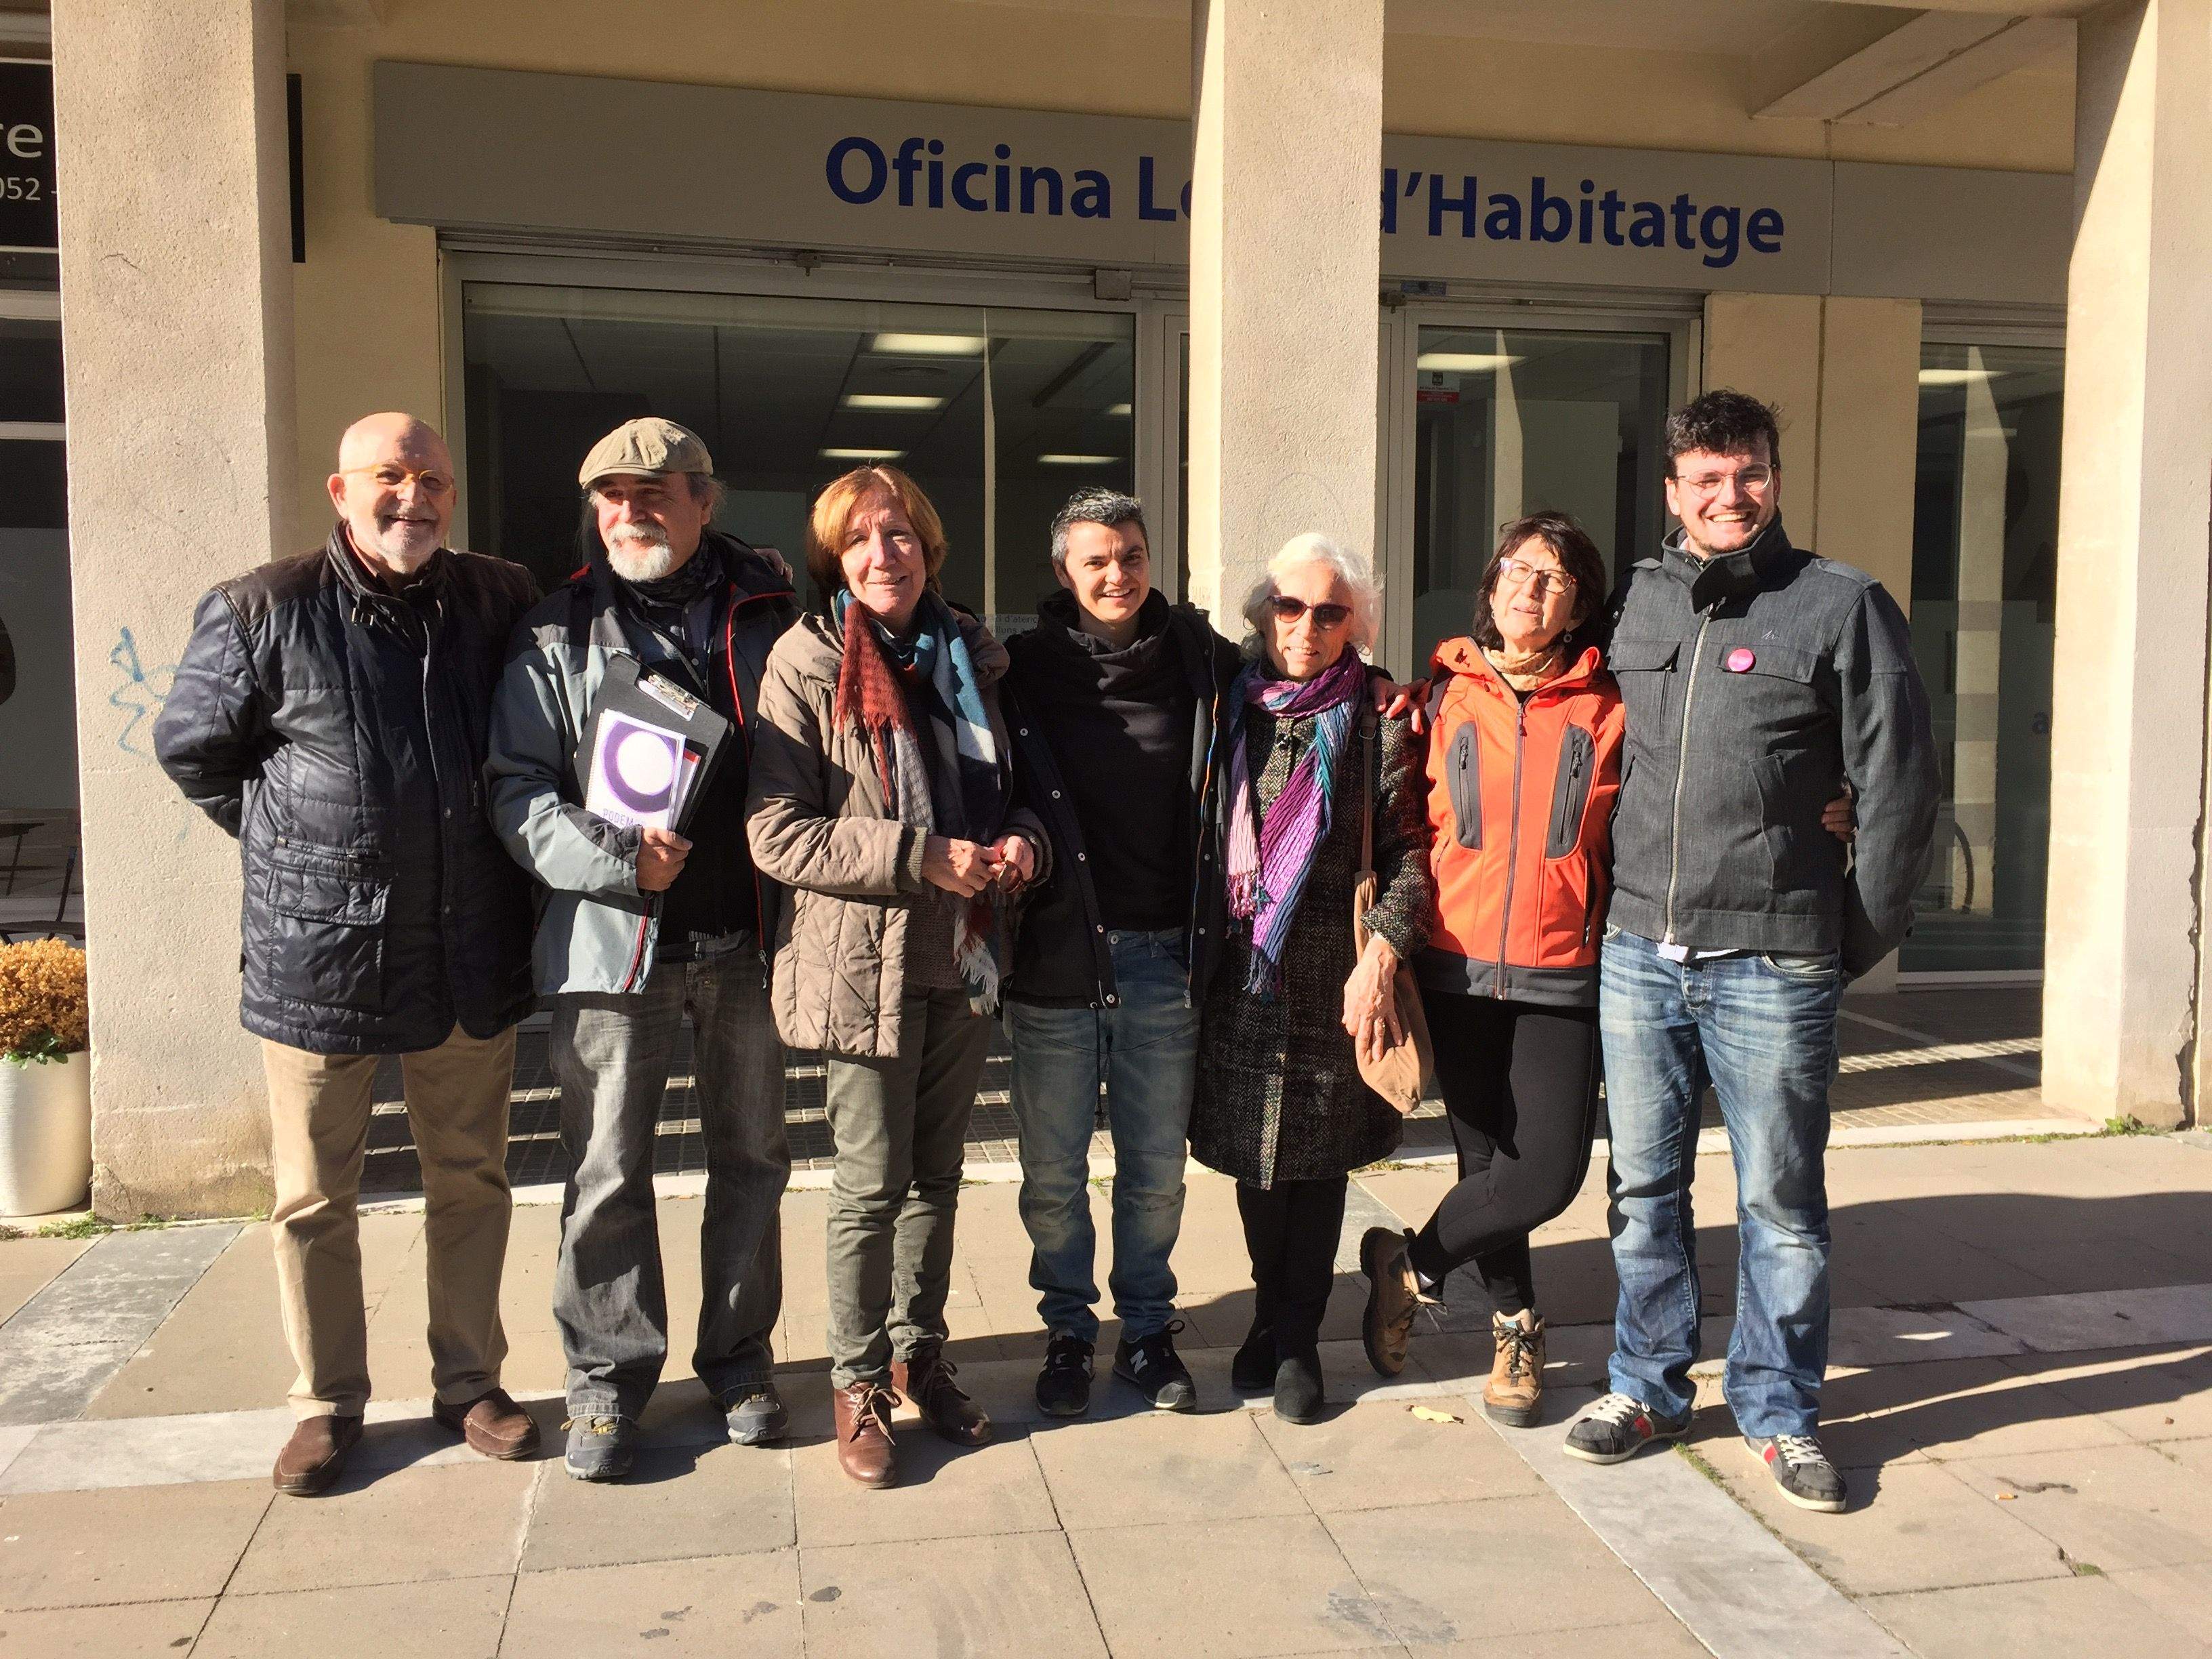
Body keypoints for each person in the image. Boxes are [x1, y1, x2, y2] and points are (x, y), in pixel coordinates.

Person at [154, 413, 541, 1496]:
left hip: (469, 943)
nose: (412, 497)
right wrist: (296, 846)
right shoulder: (259, 608)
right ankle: (326, 1402)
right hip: (316, 956)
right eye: (389, 477)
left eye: (432, 480)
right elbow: (194, 751)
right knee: (316, 1196)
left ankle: (470, 1384)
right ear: (340, 488)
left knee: (470, 1178)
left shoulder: (497, 597)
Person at [1565, 389, 1938, 1515]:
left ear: (1775, 478)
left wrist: (1840, 932)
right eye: (1708, 479)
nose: (1732, 496)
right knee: (1643, 1191)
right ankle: (1649, 1386)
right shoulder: (1634, 600)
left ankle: (1779, 1412)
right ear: (1673, 491)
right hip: (1639, 948)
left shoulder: (1841, 604)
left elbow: (1901, 791)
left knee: (1781, 1201)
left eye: (1752, 474)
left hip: (1773, 960)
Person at [486, 417, 799, 1482]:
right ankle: (608, 1380)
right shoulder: (555, 632)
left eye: (656, 493)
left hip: (752, 945)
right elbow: (515, 792)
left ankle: (741, 1360)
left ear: (705, 501)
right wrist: (618, 861)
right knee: (607, 1171)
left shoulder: (774, 616)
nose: (632, 512)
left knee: (754, 1163)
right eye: (612, 496)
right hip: (614, 948)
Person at [746, 464, 1049, 1489]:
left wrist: (1020, 846)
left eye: (903, 535)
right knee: (870, 1187)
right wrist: (916, 853)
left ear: (929, 547)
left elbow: (1012, 791)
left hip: (960, 953)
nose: (886, 554)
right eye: (864, 538)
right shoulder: (806, 660)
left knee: (938, 1178)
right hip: (860, 964)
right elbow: (775, 833)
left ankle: (921, 1352)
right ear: (838, 555)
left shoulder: (971, 655)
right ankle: (857, 1378)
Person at [1356, 512, 1620, 1430]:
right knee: (1485, 1164)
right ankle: (1516, 1331)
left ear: (1579, 602)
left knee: (1543, 1175)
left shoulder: (1608, 703)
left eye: (1552, 576)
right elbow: (1406, 825)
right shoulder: (1439, 694)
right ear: (1491, 581)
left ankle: (1410, 1265)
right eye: (1516, 568)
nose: (1529, 587)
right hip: (1457, 968)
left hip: (1562, 970)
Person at [998, 489, 1241, 1417]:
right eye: (1096, 559)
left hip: (1166, 959)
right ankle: (1067, 1329)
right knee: (1053, 1173)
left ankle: (1144, 1332)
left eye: (1132, 555)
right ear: (1065, 572)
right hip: (1058, 958)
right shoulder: (1020, 668)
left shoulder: (1203, 662)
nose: (1117, 574)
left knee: (1154, 1172)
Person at [1188, 533, 1432, 1427]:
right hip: (1244, 974)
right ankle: (1264, 1312)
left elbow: (1412, 854)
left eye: (1331, 611)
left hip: (1339, 972)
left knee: (1318, 1164)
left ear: (1354, 622)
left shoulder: (1382, 716)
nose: (1308, 626)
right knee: (1257, 1159)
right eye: (1291, 607)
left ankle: (1297, 1337)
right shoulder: (1228, 707)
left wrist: (1384, 953)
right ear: (1264, 614)